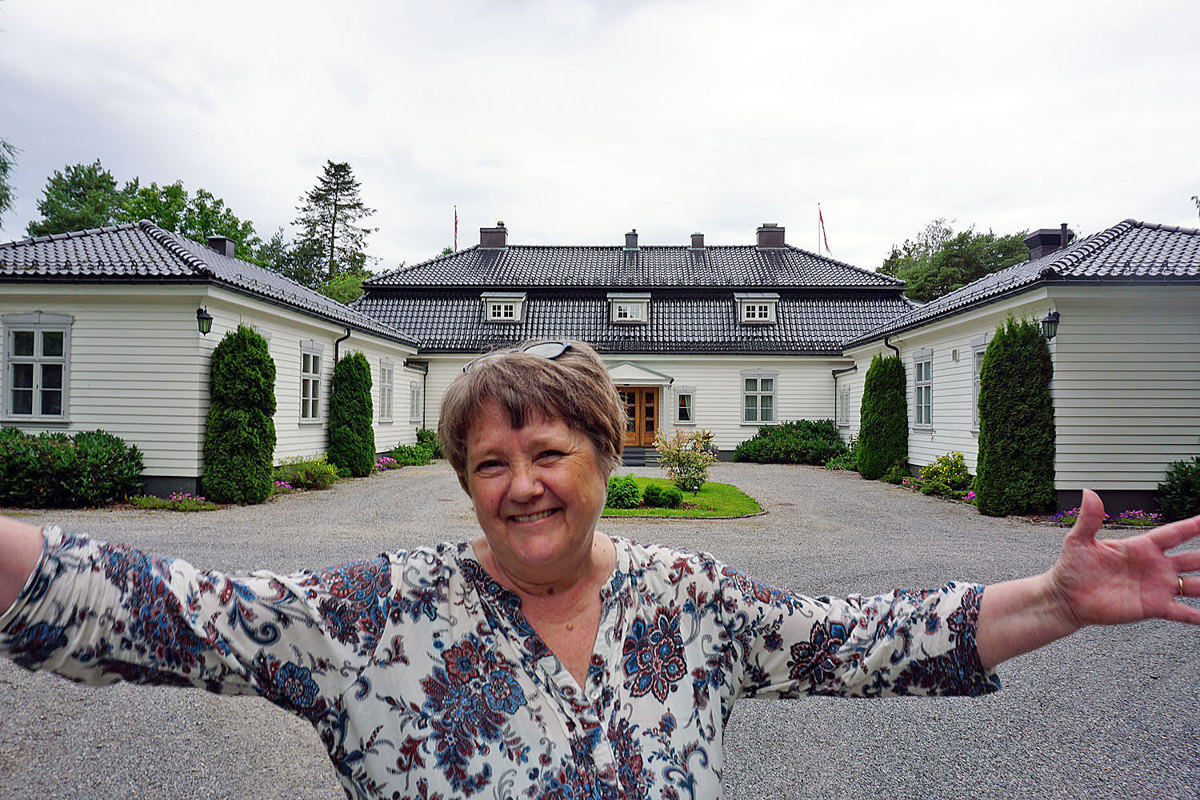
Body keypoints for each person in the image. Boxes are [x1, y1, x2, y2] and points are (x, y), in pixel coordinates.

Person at [0, 338, 1197, 800]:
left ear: (608, 454)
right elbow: (159, 608)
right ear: (464, 478)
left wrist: (1056, 598)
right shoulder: (369, 615)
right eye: (489, 459)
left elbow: (867, 635)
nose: (520, 481)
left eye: (548, 450)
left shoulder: (692, 599)